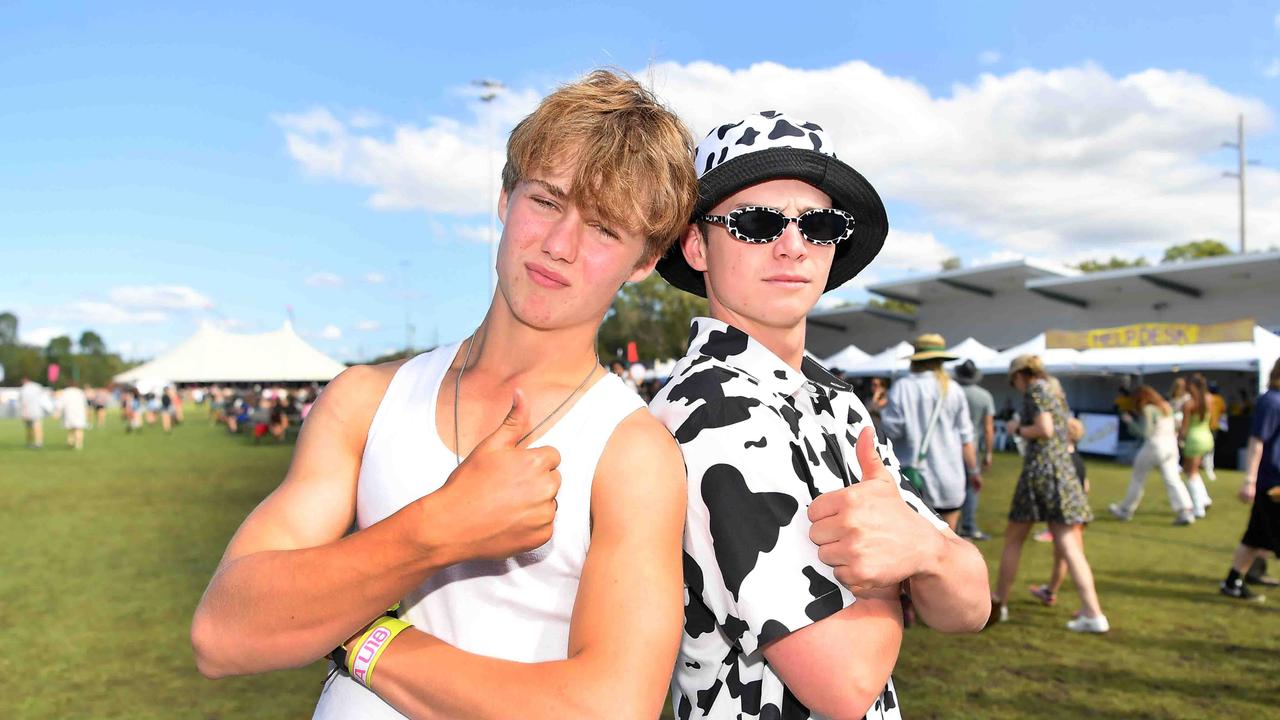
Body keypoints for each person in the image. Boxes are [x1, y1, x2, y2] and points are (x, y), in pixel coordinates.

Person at [191, 70, 698, 720]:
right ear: (505, 199)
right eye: (546, 201)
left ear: (643, 262)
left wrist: (366, 638)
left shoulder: (632, 453)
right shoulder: (365, 399)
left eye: (604, 229)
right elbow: (222, 632)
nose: (559, 245)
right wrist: (439, 529)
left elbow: (607, 708)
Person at [650, 111, 990, 720]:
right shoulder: (709, 411)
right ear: (697, 245)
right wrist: (899, 571)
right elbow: (845, 680)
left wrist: (926, 554)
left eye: (819, 224)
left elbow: (969, 608)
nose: (792, 245)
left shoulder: (836, 397)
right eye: (755, 223)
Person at [992, 354, 1109, 632]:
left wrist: (1017, 429)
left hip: (1041, 472)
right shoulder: (1055, 390)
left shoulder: (1036, 390)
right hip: (1062, 472)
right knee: (1070, 545)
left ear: (1020, 375)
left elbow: (1043, 429)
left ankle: (1000, 604)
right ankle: (1094, 613)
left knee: (1013, 539)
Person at [880, 334, 980, 531]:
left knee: (914, 544)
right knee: (948, 543)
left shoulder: (903, 387)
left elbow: (892, 430)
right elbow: (966, 438)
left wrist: (878, 413)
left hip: (913, 479)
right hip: (950, 477)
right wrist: (974, 470)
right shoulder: (954, 389)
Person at [1220, 359, 1280, 601]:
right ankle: (1234, 582)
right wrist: (1250, 480)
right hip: (1272, 483)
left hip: (1272, 481)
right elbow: (1257, 441)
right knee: (1259, 536)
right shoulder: (1272, 401)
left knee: (1255, 537)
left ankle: (1233, 582)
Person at [1107, 385, 1196, 525]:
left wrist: (1130, 422)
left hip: (1155, 445)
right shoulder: (1166, 406)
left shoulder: (1148, 409)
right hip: (1171, 446)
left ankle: (1125, 509)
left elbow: (1144, 432)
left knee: (1138, 478)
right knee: (1172, 478)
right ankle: (1186, 510)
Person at [954, 359, 994, 540]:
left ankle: (953, 526)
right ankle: (969, 526)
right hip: (972, 447)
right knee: (972, 487)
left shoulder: (952, 393)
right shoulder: (984, 396)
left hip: (951, 448)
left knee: (953, 487)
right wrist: (989, 452)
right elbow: (988, 428)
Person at [1179, 374, 1214, 518]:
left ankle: (1198, 508)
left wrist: (1179, 439)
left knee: (1190, 473)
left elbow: (1184, 427)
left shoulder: (1189, 404)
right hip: (1206, 437)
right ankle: (1205, 499)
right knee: (1193, 471)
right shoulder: (1209, 398)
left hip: (1194, 440)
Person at [1205, 381, 1227, 481]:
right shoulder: (1216, 399)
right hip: (1207, 426)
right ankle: (1207, 467)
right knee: (1208, 448)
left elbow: (1223, 411)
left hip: (1211, 426)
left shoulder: (1215, 399)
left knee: (1210, 448)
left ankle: (1208, 467)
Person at [58, 381, 89, 450]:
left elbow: (61, 403)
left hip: (69, 412)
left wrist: (58, 411)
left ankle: (70, 442)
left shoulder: (65, 392)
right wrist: (87, 412)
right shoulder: (80, 392)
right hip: (80, 412)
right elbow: (85, 403)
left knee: (70, 429)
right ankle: (79, 444)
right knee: (79, 429)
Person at [19, 375, 48, 449]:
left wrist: (23, 413)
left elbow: (22, 402)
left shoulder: (24, 389)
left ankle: (30, 442)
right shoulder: (37, 386)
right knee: (37, 428)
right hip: (37, 411)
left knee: (29, 429)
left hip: (28, 412)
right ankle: (38, 443)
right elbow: (43, 398)